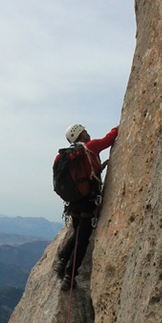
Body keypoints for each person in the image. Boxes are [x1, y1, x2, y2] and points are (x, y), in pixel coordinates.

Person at [54, 123, 118, 290]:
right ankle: (69, 275)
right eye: (85, 132)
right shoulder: (90, 148)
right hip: (88, 201)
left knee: (77, 233)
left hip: (74, 201)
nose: (88, 133)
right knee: (82, 239)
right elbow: (109, 139)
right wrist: (117, 128)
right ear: (80, 135)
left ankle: (62, 259)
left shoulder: (68, 156)